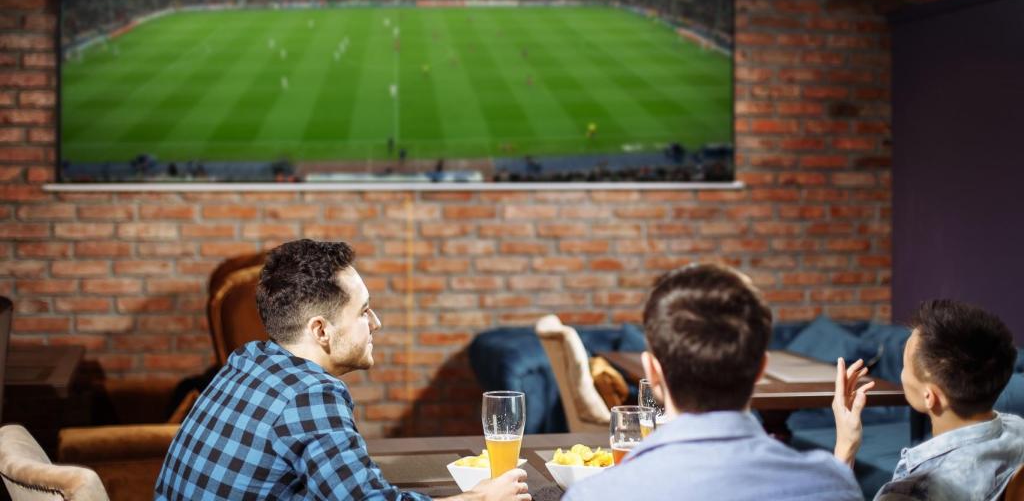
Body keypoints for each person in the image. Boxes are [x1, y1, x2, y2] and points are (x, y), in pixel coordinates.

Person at [155, 240, 530, 501]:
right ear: (320, 330)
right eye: (364, 311)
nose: (377, 323)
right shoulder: (311, 394)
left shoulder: (247, 360)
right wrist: (478, 498)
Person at [563, 264, 862, 501]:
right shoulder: (833, 485)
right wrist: (844, 452)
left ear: (653, 374)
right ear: (760, 370)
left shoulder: (594, 495)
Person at [833, 299, 1024, 500]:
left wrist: (845, 447)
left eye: (904, 366)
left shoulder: (911, 493)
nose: (902, 374)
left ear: (929, 397)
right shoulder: (1020, 431)